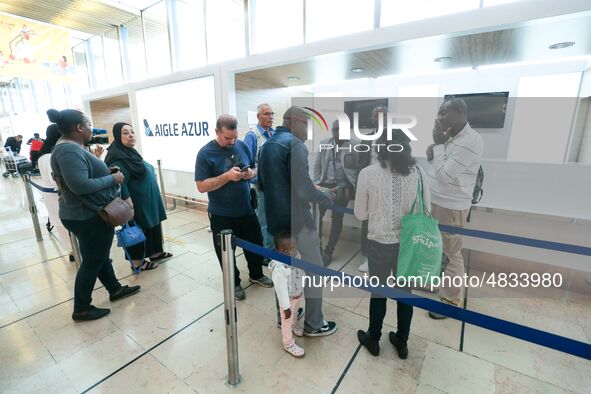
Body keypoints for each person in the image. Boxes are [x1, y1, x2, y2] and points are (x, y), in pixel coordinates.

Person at [50, 109, 140, 321]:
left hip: (85, 213)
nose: (92, 129)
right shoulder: (68, 151)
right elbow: (80, 186)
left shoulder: (71, 148)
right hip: (87, 215)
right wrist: (113, 179)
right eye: (89, 124)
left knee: (98, 254)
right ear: (79, 128)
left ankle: (115, 289)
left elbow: (82, 177)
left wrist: (106, 172)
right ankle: (81, 307)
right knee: (92, 260)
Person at [259, 106, 337, 337]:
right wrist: (326, 196)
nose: (307, 132)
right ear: (294, 121)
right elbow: (304, 190)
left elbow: (263, 184)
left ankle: (284, 317)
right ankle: (314, 324)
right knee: (314, 270)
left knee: (284, 272)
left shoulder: (266, 146)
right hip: (299, 222)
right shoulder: (295, 145)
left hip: (276, 221)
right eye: (306, 125)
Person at [354, 129, 430, 360]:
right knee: (405, 293)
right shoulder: (418, 172)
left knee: (378, 293)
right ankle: (402, 342)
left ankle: (374, 339)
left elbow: (360, 214)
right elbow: (427, 209)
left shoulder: (368, 173)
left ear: (380, 147)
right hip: (408, 244)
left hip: (379, 242)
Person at [195, 114, 273, 301]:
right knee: (225, 253)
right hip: (222, 214)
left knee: (255, 245)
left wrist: (249, 174)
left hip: (246, 209)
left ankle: (256, 274)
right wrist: (226, 177)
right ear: (217, 132)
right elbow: (201, 186)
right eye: (227, 138)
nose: (232, 142)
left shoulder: (241, 145)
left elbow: (253, 168)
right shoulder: (205, 153)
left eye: (235, 137)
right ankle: (234, 283)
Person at [425, 98, 483, 318]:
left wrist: (438, 145)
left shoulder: (470, 140)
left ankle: (450, 301)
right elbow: (439, 168)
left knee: (451, 252)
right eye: (439, 113)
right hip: (437, 203)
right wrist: (436, 151)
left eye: (443, 113)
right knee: (436, 249)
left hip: (451, 207)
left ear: (459, 113)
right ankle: (437, 285)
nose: (439, 118)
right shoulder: (451, 137)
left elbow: (445, 176)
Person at [105, 122, 172, 272]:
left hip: (148, 199)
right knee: (135, 229)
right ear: (117, 136)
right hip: (135, 202)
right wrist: (129, 204)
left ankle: (155, 252)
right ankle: (137, 262)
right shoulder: (116, 157)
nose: (131, 135)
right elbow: (120, 183)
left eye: (132, 132)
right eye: (125, 133)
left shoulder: (131, 153)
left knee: (153, 225)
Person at [313, 120, 357, 266]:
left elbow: (357, 169)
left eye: (341, 129)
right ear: (332, 130)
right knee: (317, 216)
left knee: (337, 217)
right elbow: (317, 165)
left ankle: (328, 251)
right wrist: (316, 184)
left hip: (343, 186)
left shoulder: (355, 145)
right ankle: (317, 247)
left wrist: (353, 187)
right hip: (325, 184)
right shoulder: (325, 143)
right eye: (335, 129)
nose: (338, 132)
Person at [355, 106, 388, 272]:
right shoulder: (366, 138)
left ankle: (388, 259)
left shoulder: (395, 137)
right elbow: (360, 162)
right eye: (375, 115)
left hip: (388, 186)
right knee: (367, 222)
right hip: (370, 186)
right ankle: (368, 257)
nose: (378, 118)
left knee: (388, 222)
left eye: (381, 115)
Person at [37, 109, 73, 261]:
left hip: (52, 195)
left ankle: (72, 250)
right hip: (58, 195)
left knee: (60, 224)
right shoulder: (50, 155)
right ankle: (73, 250)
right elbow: (55, 178)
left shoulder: (44, 154)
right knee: (64, 224)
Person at [243, 103, 275, 254]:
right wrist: (257, 182)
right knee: (264, 221)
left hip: (276, 186)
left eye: (272, 114)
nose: (271, 117)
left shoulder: (274, 134)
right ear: (258, 116)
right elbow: (246, 165)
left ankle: (274, 247)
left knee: (274, 218)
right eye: (267, 114)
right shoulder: (252, 135)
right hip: (261, 187)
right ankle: (266, 252)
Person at [269, 231, 306, 358]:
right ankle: (288, 343)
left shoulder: (297, 256)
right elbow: (281, 291)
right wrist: (285, 308)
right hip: (288, 299)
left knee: (295, 312)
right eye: (285, 250)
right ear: (276, 250)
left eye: (293, 248)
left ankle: (294, 325)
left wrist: (302, 286)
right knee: (286, 320)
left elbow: (301, 271)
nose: (290, 252)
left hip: (297, 294)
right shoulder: (279, 269)